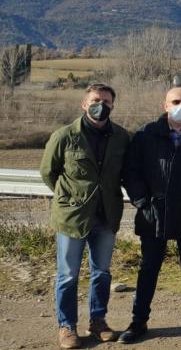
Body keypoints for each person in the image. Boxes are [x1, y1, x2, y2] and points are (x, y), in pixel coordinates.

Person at [118, 87, 181, 344]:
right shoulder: (145, 134)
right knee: (148, 268)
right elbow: (131, 171)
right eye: (176, 101)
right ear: (165, 105)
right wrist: (142, 201)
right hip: (154, 213)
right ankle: (138, 320)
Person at [40, 83, 130, 349]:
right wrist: (68, 198)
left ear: (112, 105)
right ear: (84, 103)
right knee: (67, 275)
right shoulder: (65, 136)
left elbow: (126, 171)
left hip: (106, 215)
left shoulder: (122, 137)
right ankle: (66, 327)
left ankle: (98, 322)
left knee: (101, 272)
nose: (100, 105)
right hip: (73, 218)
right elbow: (49, 172)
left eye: (105, 101)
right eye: (94, 100)